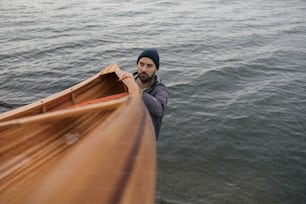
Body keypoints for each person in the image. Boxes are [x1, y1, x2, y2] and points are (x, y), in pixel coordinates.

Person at [119, 49, 168, 140]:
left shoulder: (160, 89)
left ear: (156, 69)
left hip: (144, 142)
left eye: (149, 66)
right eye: (141, 64)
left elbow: (159, 110)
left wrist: (137, 91)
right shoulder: (127, 80)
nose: (144, 69)